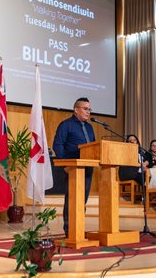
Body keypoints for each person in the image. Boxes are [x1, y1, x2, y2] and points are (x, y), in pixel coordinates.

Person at [53, 98, 95, 237]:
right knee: (72, 198)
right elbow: (58, 145)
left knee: (83, 199)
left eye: (89, 109)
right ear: (76, 109)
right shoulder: (66, 125)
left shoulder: (89, 127)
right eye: (85, 108)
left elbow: (93, 147)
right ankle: (69, 229)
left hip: (88, 167)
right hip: (73, 168)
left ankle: (78, 226)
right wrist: (66, 164)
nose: (88, 112)